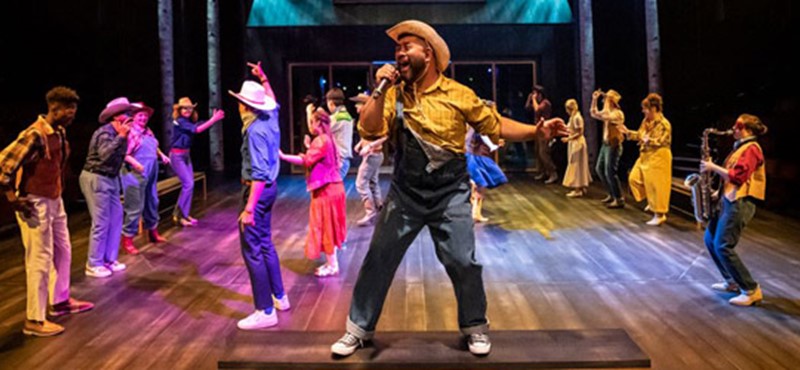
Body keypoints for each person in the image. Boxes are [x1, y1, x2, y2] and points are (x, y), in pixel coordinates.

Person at [330, 19, 543, 357]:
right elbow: (369, 131)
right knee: (378, 259)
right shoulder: (393, 95)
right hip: (405, 193)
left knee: (463, 261)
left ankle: (475, 326)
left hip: (450, 193)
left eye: (406, 47)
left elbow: (494, 125)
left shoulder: (459, 94)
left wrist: (536, 132)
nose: (399, 53)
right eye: (397, 49)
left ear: (427, 54)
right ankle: (358, 329)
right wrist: (380, 87)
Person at [0, 86, 94, 336]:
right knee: (39, 260)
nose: (73, 115)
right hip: (34, 201)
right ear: (55, 109)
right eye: (69, 110)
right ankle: (34, 319)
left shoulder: (60, 132)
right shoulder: (34, 134)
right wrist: (12, 197)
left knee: (63, 250)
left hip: (54, 198)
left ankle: (60, 301)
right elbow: (5, 163)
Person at [230, 61, 290, 330]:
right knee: (265, 243)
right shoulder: (270, 116)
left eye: (241, 102)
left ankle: (265, 310)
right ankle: (279, 296)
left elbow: (258, 173)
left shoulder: (255, 130)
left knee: (253, 249)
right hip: (271, 188)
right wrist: (264, 78)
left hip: (258, 190)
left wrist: (249, 208)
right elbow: (273, 101)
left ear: (246, 106)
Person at [700, 114, 767, 307]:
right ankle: (732, 282)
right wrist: (717, 192)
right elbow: (731, 178)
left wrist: (712, 167)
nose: (733, 129)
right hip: (729, 198)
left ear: (748, 130)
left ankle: (751, 289)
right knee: (710, 239)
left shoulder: (752, 149)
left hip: (741, 202)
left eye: (738, 127)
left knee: (723, 245)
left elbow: (738, 177)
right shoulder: (741, 148)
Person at [280, 109, 347, 278]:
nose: (309, 125)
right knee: (329, 227)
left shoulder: (321, 141)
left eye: (311, 121)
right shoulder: (327, 139)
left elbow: (306, 160)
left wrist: (283, 156)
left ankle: (333, 266)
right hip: (335, 188)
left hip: (327, 191)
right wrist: (310, 147)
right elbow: (319, 158)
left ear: (318, 123)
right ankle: (332, 263)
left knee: (325, 228)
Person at [81, 97, 135, 278]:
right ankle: (93, 263)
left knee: (116, 218)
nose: (131, 118)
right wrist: (121, 137)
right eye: (127, 114)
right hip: (96, 177)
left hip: (111, 178)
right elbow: (104, 156)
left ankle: (109, 259)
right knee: (101, 221)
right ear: (116, 117)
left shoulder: (122, 134)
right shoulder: (105, 133)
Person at [120, 102, 170, 255]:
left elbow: (154, 146)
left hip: (151, 170)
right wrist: (137, 164)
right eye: (140, 115)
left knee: (152, 201)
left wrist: (162, 155)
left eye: (145, 116)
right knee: (135, 206)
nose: (143, 118)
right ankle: (128, 239)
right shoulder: (130, 132)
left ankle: (153, 232)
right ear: (134, 117)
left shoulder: (148, 132)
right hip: (134, 172)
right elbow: (124, 154)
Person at [169, 97, 225, 226]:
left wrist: (212, 119)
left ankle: (183, 213)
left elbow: (198, 125)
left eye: (190, 108)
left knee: (190, 185)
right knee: (188, 184)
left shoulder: (188, 121)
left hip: (186, 155)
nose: (188, 110)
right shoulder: (180, 121)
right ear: (179, 110)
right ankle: (180, 216)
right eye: (185, 108)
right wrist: (213, 120)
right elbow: (197, 130)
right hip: (177, 156)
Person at [623, 93, 672, 226]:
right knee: (633, 178)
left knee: (657, 185)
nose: (643, 111)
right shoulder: (646, 122)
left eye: (645, 108)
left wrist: (649, 140)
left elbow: (663, 141)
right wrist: (628, 132)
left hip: (658, 156)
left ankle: (659, 214)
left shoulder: (664, 124)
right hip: (645, 155)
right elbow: (640, 135)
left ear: (653, 109)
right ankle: (651, 201)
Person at [466, 105, 508, 223]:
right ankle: (475, 211)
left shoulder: (474, 123)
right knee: (480, 186)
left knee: (480, 186)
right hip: (477, 157)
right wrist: (493, 145)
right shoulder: (481, 123)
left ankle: (476, 211)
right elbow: (483, 136)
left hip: (477, 156)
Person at [351, 93, 387, 227]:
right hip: (372, 154)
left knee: (361, 183)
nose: (355, 106)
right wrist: (361, 143)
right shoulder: (364, 118)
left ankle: (370, 211)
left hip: (373, 155)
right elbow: (368, 135)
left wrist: (370, 146)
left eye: (358, 103)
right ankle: (379, 207)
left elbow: (385, 136)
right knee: (372, 182)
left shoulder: (374, 118)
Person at [590, 89, 626, 208]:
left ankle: (619, 198)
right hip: (605, 144)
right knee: (599, 169)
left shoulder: (617, 113)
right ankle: (611, 194)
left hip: (613, 145)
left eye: (607, 99)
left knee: (610, 172)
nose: (604, 100)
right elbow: (593, 113)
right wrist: (594, 99)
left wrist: (606, 103)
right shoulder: (608, 112)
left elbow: (606, 116)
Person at [526, 85, 557, 184]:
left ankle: (553, 173)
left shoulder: (546, 103)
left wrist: (534, 100)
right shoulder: (537, 103)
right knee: (537, 152)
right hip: (538, 130)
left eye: (536, 94)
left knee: (543, 153)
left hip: (545, 131)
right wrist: (529, 99)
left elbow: (537, 110)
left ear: (540, 94)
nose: (534, 96)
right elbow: (527, 108)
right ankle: (543, 172)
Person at [561, 99, 592, 198]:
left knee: (576, 165)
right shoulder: (572, 117)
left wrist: (568, 138)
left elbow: (580, 132)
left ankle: (578, 188)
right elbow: (570, 129)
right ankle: (581, 187)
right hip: (573, 142)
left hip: (578, 143)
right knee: (576, 164)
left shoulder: (577, 118)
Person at [326, 88, 354, 180]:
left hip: (340, 160)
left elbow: (317, 130)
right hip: (342, 159)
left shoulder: (338, 117)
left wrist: (309, 113)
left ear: (331, 103)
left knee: (331, 189)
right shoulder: (346, 115)